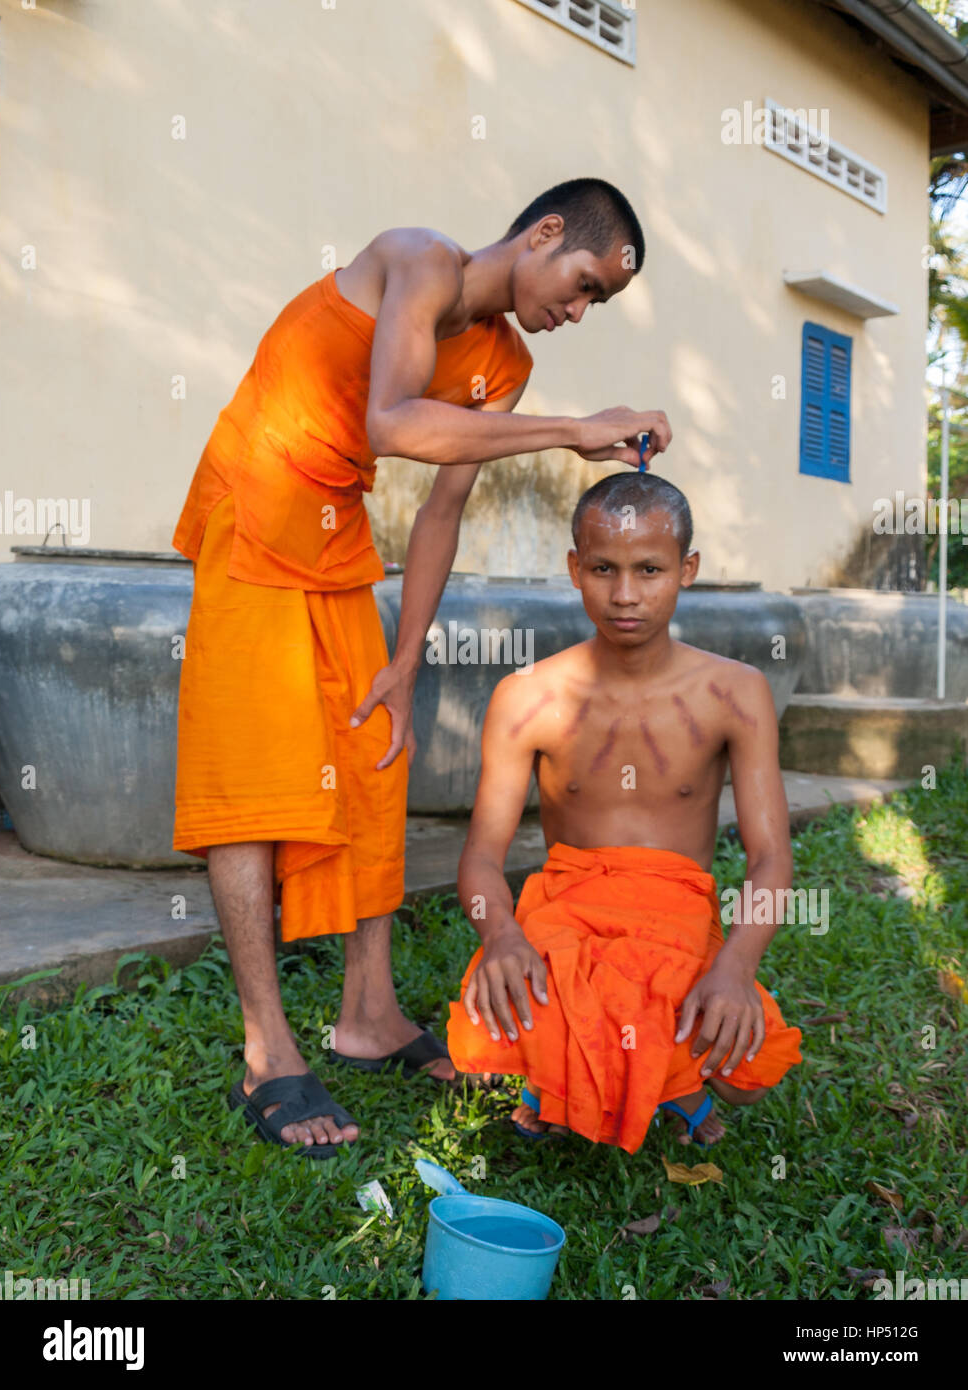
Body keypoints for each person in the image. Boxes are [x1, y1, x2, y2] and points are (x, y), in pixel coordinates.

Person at [170, 177, 673, 1158]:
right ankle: (267, 1050)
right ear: (544, 230)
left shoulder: (503, 363)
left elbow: (441, 509)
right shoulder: (420, 258)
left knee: (372, 761)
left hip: (334, 536)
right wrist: (573, 430)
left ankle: (368, 1015)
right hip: (255, 505)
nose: (575, 313)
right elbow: (392, 422)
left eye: (594, 306)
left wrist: (404, 662)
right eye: (578, 286)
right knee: (253, 776)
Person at [446, 471, 802, 1150]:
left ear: (686, 570)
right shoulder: (526, 696)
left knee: (745, 1067)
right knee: (490, 1030)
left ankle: (603, 1082)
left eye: (649, 569)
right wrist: (501, 939)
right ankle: (591, 1082)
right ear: (574, 569)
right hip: (563, 916)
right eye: (603, 569)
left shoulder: (736, 692)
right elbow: (481, 859)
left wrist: (733, 969)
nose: (625, 595)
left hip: (676, 920)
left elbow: (769, 859)